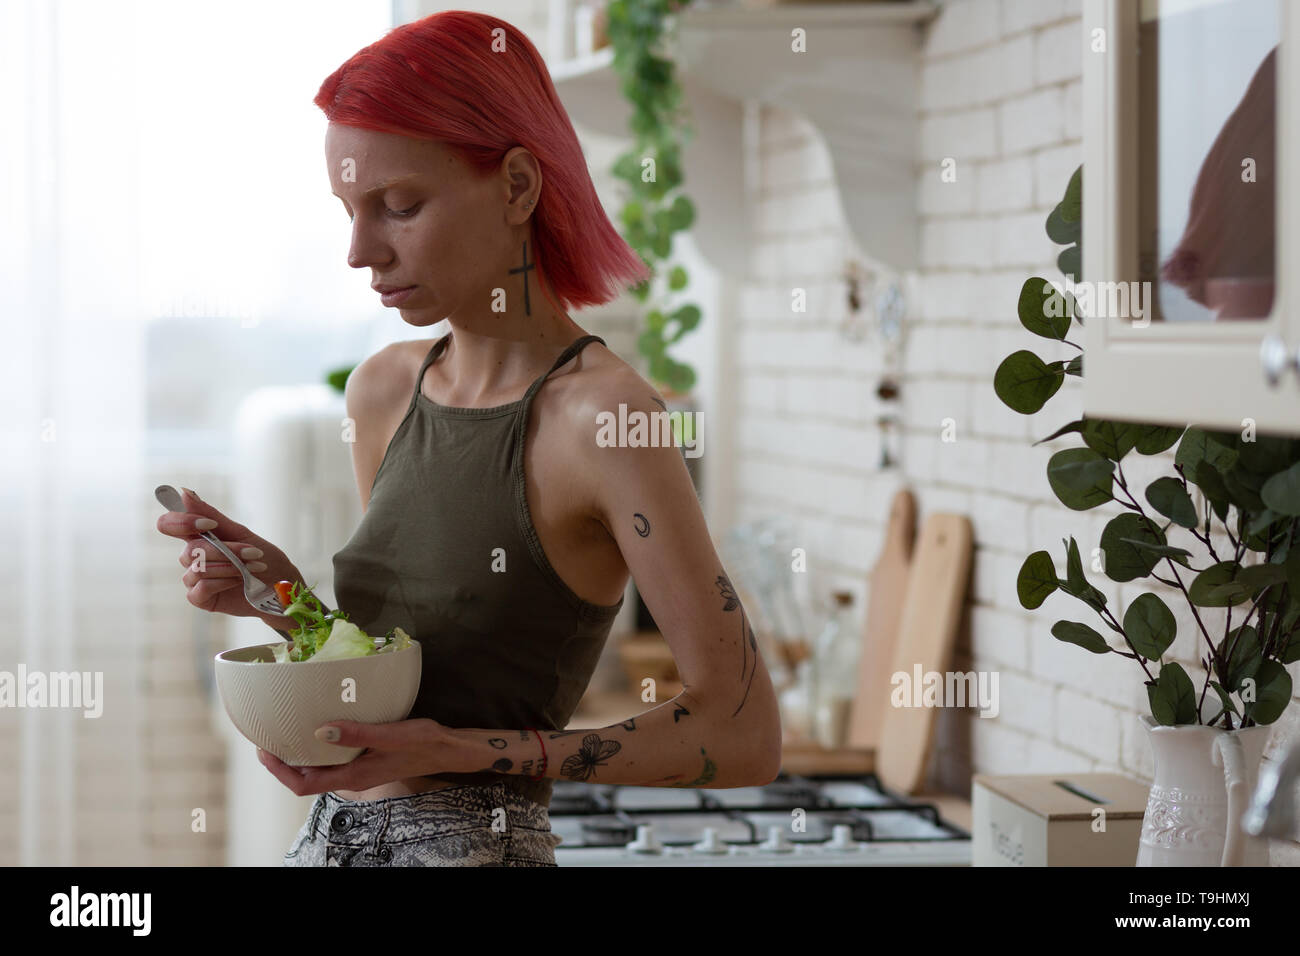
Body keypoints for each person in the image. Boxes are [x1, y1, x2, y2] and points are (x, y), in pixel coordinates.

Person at [155, 10, 781, 867]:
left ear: (519, 186)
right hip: (327, 844)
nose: (359, 250)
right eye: (348, 209)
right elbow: (412, 675)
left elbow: (742, 733)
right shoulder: (383, 390)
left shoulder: (605, 420)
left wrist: (462, 755)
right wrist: (285, 599)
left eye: (399, 205)